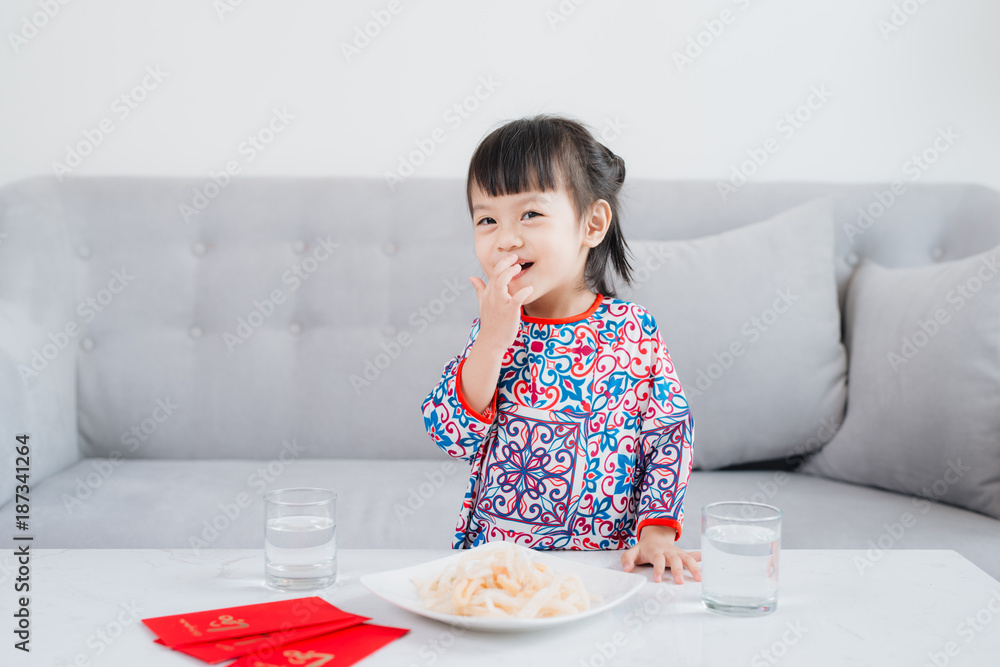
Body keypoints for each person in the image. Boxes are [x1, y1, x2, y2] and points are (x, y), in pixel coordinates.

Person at [420, 114, 700, 585]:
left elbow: (669, 436)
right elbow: (450, 435)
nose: (506, 238)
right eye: (487, 219)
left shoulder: (634, 331)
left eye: (530, 214)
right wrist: (491, 340)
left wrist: (656, 533)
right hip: (499, 564)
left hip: (604, 567)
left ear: (592, 224)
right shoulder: (494, 330)